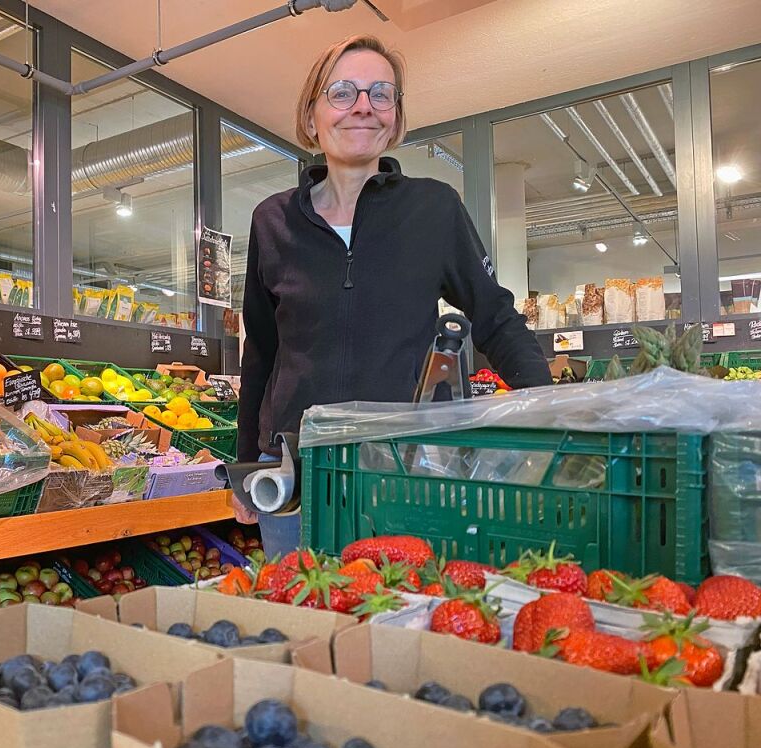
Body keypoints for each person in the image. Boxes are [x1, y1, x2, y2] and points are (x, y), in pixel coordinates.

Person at [233, 35, 552, 556]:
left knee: (397, 621)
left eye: (381, 93)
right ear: (312, 117)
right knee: (302, 620)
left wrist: (546, 411)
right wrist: (247, 461)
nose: (363, 105)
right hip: (293, 473)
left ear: (396, 119)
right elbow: (263, 353)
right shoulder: (272, 221)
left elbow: (494, 315)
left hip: (402, 471)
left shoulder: (434, 210)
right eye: (343, 92)